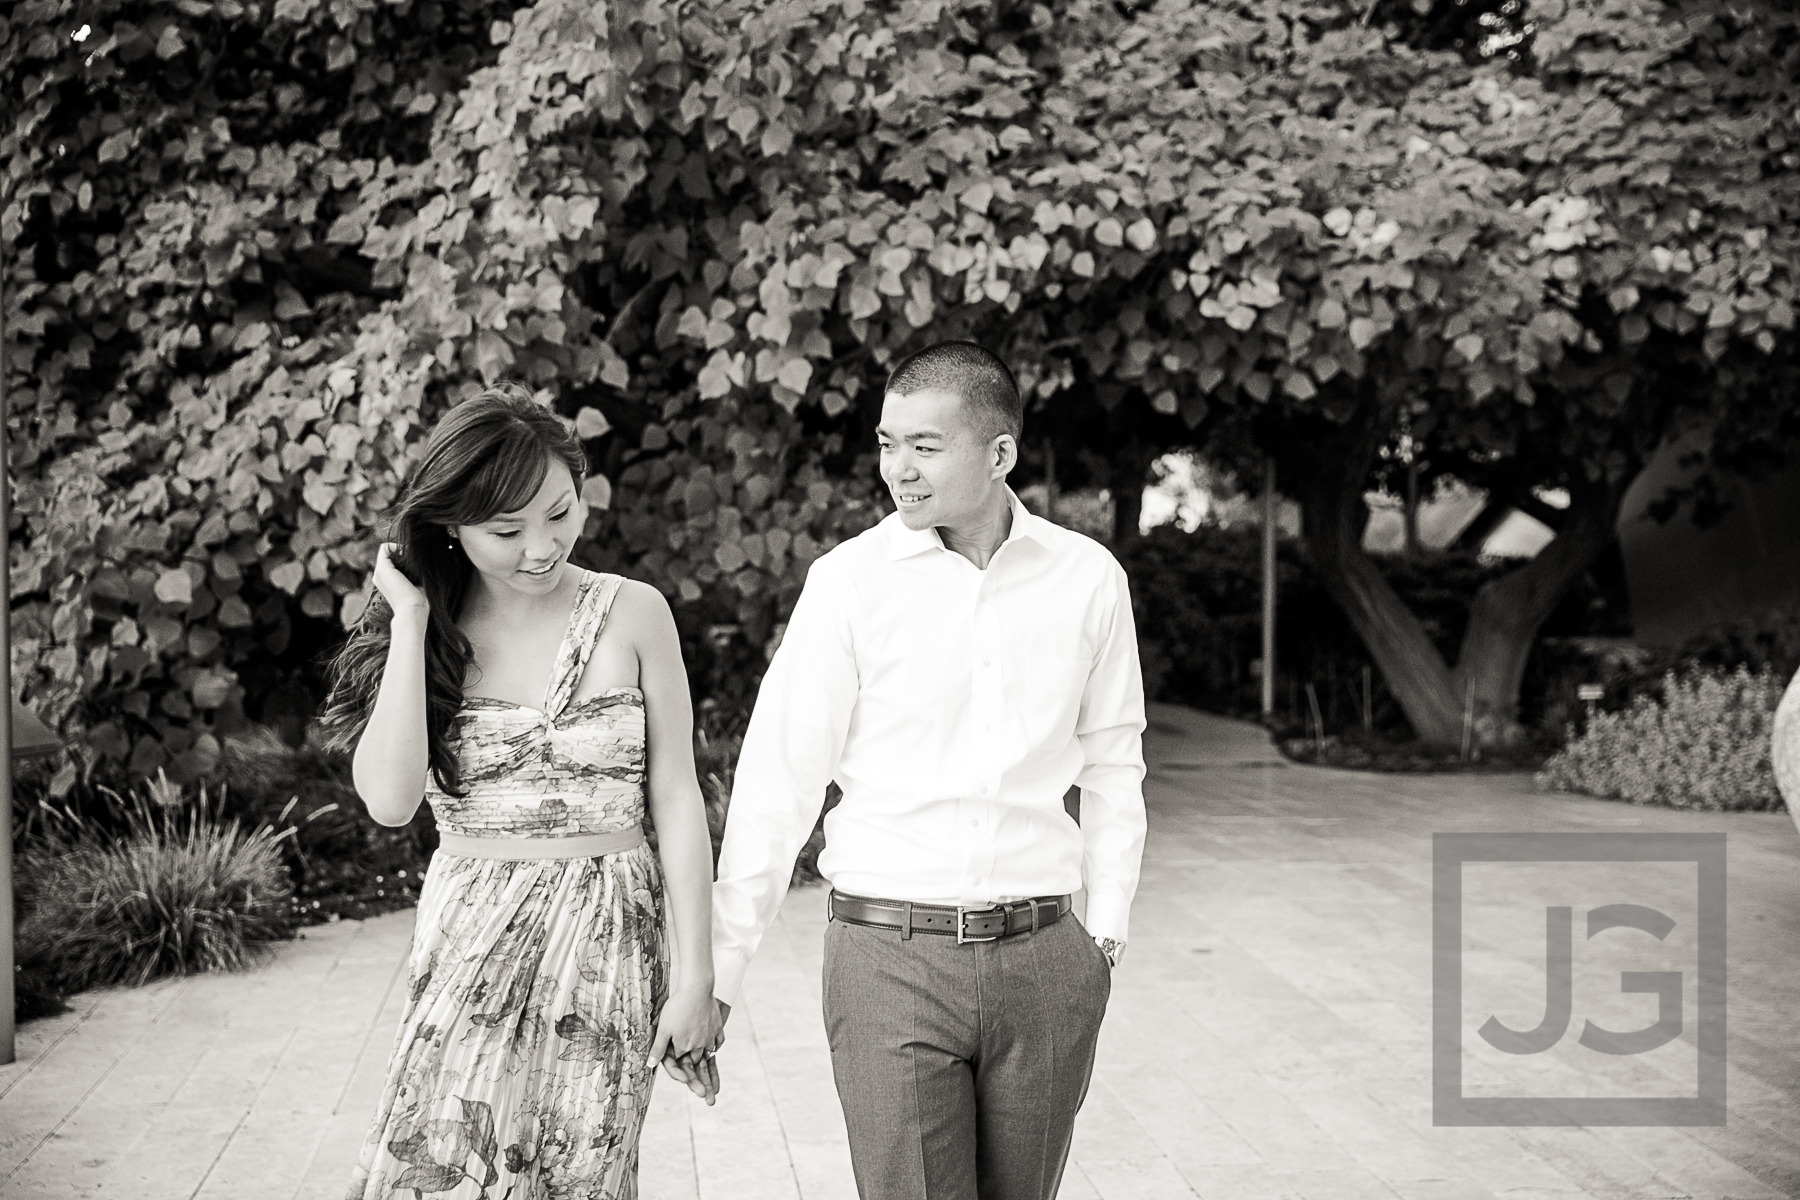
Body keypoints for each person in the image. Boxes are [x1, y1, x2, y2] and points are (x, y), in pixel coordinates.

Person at [710, 342, 1148, 1200]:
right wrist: (721, 975)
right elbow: (778, 783)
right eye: (886, 443)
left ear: (999, 453)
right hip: (888, 962)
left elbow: (1114, 763)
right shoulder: (848, 584)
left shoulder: (1087, 579)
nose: (897, 470)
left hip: (1045, 961)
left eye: (924, 446)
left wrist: (1103, 938)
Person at [321, 384, 722, 1200]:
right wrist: (408, 620)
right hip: (472, 936)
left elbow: (676, 797)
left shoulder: (635, 612)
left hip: (613, 941)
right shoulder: (425, 627)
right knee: (439, 1169)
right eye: (506, 530)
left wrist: (696, 980)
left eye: (561, 513)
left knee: (584, 1176)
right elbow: (392, 801)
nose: (541, 546)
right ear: (451, 527)